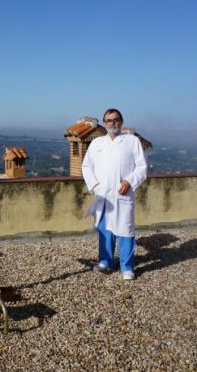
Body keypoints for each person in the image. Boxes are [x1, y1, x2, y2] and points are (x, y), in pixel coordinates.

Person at [82, 108, 147, 280]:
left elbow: (142, 167)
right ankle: (106, 261)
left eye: (115, 119)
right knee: (105, 230)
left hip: (123, 194)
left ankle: (127, 267)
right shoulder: (97, 144)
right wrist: (95, 185)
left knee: (125, 230)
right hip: (103, 195)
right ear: (104, 123)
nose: (112, 123)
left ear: (121, 121)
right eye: (109, 120)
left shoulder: (132, 142)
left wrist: (129, 181)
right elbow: (86, 166)